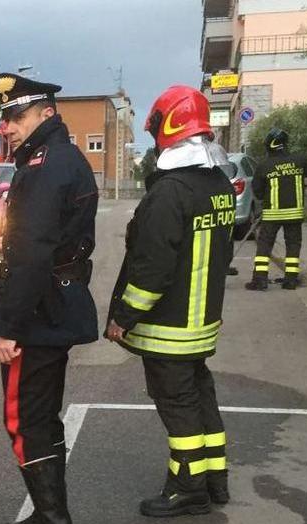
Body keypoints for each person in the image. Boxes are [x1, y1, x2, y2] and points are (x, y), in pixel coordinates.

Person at [106, 85, 235, 518]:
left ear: (168, 127)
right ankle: (215, 480)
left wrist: (123, 317)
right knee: (201, 397)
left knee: (179, 409)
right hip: (202, 322)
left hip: (170, 328)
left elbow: (152, 269)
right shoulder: (217, 183)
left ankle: (187, 489)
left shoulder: (169, 192)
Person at [0, 72, 99, 524]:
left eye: (16, 116)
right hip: (56, 301)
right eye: (5, 118)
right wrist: (11, 241)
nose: (8, 127)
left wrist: (10, 328)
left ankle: (53, 518)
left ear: (46, 113)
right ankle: (52, 513)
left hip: (37, 313)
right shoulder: (61, 158)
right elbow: (56, 237)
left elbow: (34, 254)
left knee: (24, 421)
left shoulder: (44, 165)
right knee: (43, 417)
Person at [245, 128, 307, 291]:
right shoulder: (299, 160)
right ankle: (291, 281)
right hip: (294, 214)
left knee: (264, 246)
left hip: (272, 214)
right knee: (293, 245)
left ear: (269, 146)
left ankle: (260, 280)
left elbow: (257, 192)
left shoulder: (264, 165)